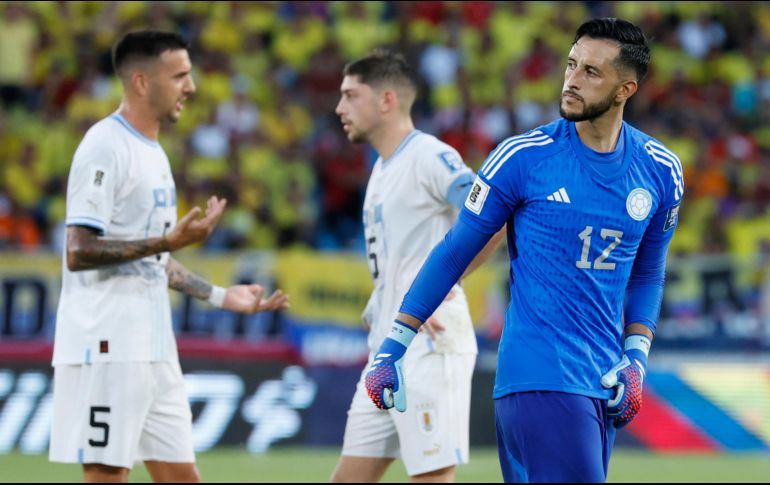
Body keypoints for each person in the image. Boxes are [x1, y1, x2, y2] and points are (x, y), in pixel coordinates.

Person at [365, 18, 684, 483]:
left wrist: (635, 357)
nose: (572, 80)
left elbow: (647, 274)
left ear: (625, 89)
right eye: (571, 65)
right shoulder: (523, 158)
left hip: (603, 383)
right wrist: (392, 347)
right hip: (540, 376)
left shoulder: (660, 171)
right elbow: (454, 252)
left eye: (592, 72)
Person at [49, 31, 289, 483]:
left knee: (182, 475)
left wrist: (221, 296)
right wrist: (165, 243)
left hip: (152, 342)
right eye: (179, 76)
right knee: (106, 472)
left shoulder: (154, 153)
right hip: (107, 342)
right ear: (141, 82)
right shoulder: (105, 146)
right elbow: (79, 251)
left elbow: (151, 259)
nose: (192, 87)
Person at [330, 49, 503, 483]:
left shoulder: (430, 155)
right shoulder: (382, 171)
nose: (339, 108)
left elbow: (491, 220)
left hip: (429, 343)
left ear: (386, 100)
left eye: (351, 95)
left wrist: (442, 283)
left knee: (430, 477)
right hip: (387, 349)